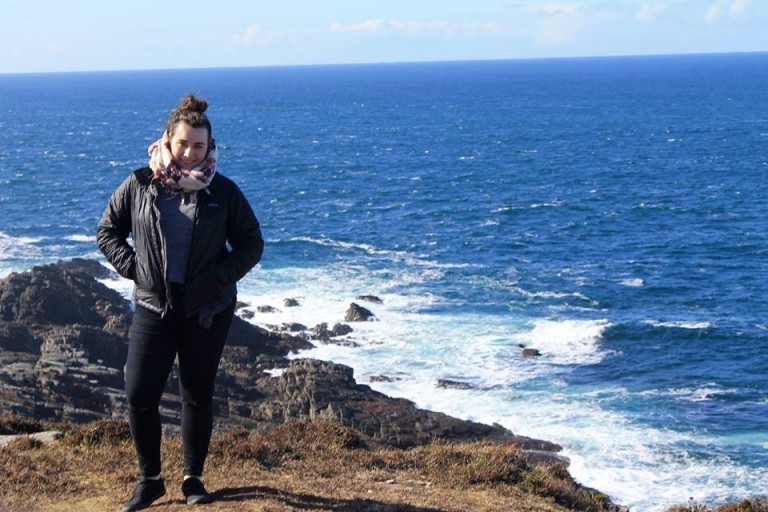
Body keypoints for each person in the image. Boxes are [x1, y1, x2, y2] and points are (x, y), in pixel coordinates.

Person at [97, 94, 264, 511]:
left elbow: (251, 243)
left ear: (210, 148)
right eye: (184, 144)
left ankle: (192, 479)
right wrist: (137, 270)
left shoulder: (222, 192)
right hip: (155, 305)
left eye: (199, 146)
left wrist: (217, 278)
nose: (190, 152)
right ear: (168, 141)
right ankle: (150, 480)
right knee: (138, 393)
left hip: (206, 309)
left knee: (196, 394)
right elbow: (107, 231)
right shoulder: (139, 184)